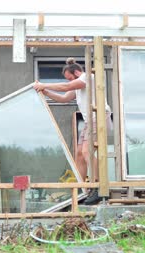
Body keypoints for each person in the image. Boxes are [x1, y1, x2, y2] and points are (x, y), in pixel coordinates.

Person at [33, 58, 112, 205]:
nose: (70, 82)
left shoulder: (87, 77)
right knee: (79, 155)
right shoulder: (79, 86)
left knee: (88, 152)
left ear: (76, 72)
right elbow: (64, 98)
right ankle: (83, 191)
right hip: (90, 121)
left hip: (99, 118)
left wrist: (44, 84)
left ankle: (99, 188)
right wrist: (45, 91)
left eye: (70, 78)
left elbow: (65, 87)